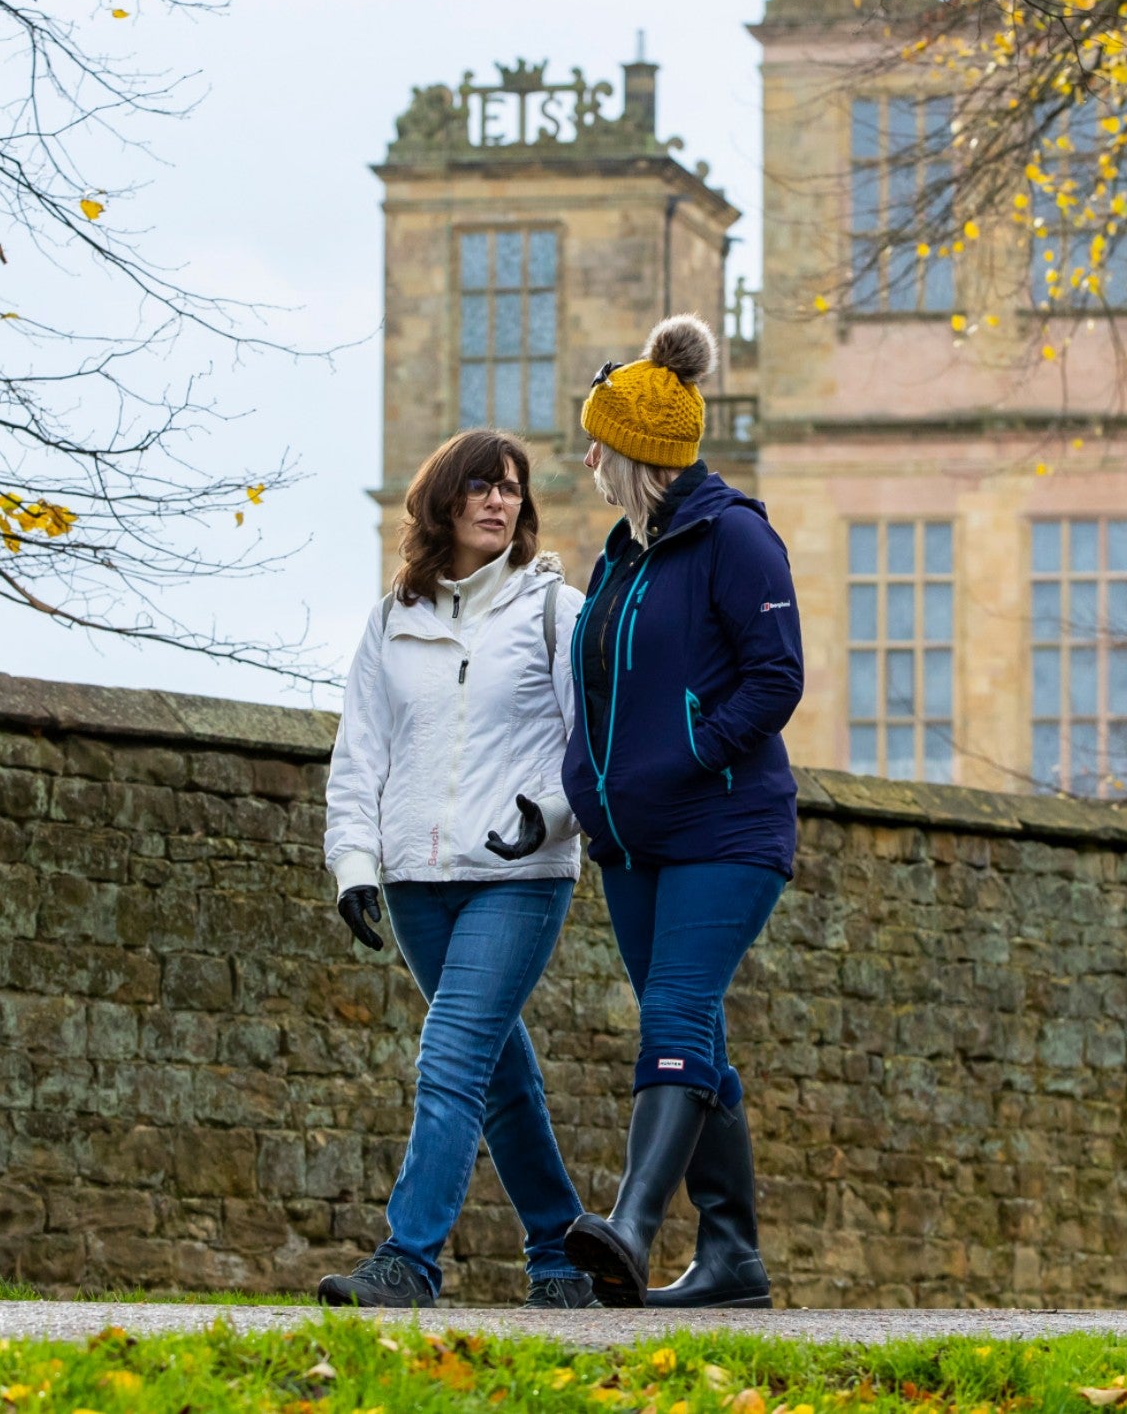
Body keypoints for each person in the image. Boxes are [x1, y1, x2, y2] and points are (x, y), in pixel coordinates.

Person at [317, 428, 597, 1310]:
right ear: (444, 500)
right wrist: (354, 864)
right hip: (416, 885)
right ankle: (562, 1257)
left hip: (521, 876)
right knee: (499, 1074)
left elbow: (599, 748)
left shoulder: (561, 611)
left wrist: (548, 817)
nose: (499, 500)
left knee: (449, 1054)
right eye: (481, 485)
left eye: (512, 488)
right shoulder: (393, 618)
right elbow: (360, 754)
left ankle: (409, 1260)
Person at [560, 315, 804, 1309]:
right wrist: (590, 782)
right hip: (636, 842)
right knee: (694, 1034)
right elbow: (604, 689)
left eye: (598, 443)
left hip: (729, 829)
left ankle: (631, 1225)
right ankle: (734, 1257)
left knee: (673, 1011)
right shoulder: (627, 553)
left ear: (638, 456)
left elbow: (777, 677)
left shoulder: (734, 537)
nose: (586, 457)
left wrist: (694, 755)